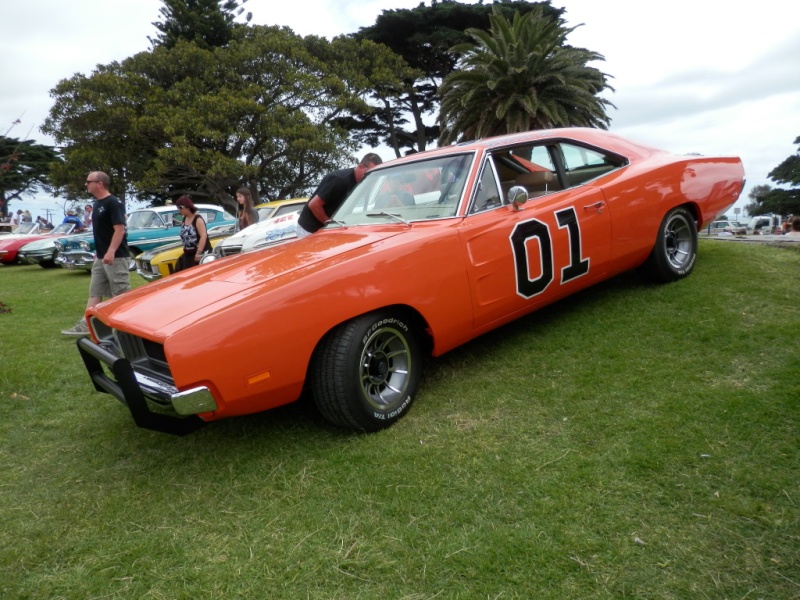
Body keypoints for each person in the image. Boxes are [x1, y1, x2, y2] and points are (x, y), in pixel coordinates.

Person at [61, 171, 130, 337]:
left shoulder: (113, 203)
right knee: (95, 291)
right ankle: (87, 324)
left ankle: (127, 327)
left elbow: (119, 229)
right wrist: (99, 253)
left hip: (116, 257)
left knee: (121, 294)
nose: (86, 184)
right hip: (100, 257)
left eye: (89, 181)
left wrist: (111, 251)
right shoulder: (97, 204)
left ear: (99, 183)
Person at [296, 153, 383, 238]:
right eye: (369, 174)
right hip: (309, 229)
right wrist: (332, 225)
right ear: (360, 167)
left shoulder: (362, 183)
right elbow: (314, 205)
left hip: (329, 230)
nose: (371, 178)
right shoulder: (339, 180)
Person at [174, 196, 210, 272]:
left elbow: (203, 236)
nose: (179, 210)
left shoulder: (198, 219)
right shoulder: (184, 218)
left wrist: (199, 253)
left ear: (186, 207)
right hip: (188, 254)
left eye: (180, 208)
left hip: (198, 255)